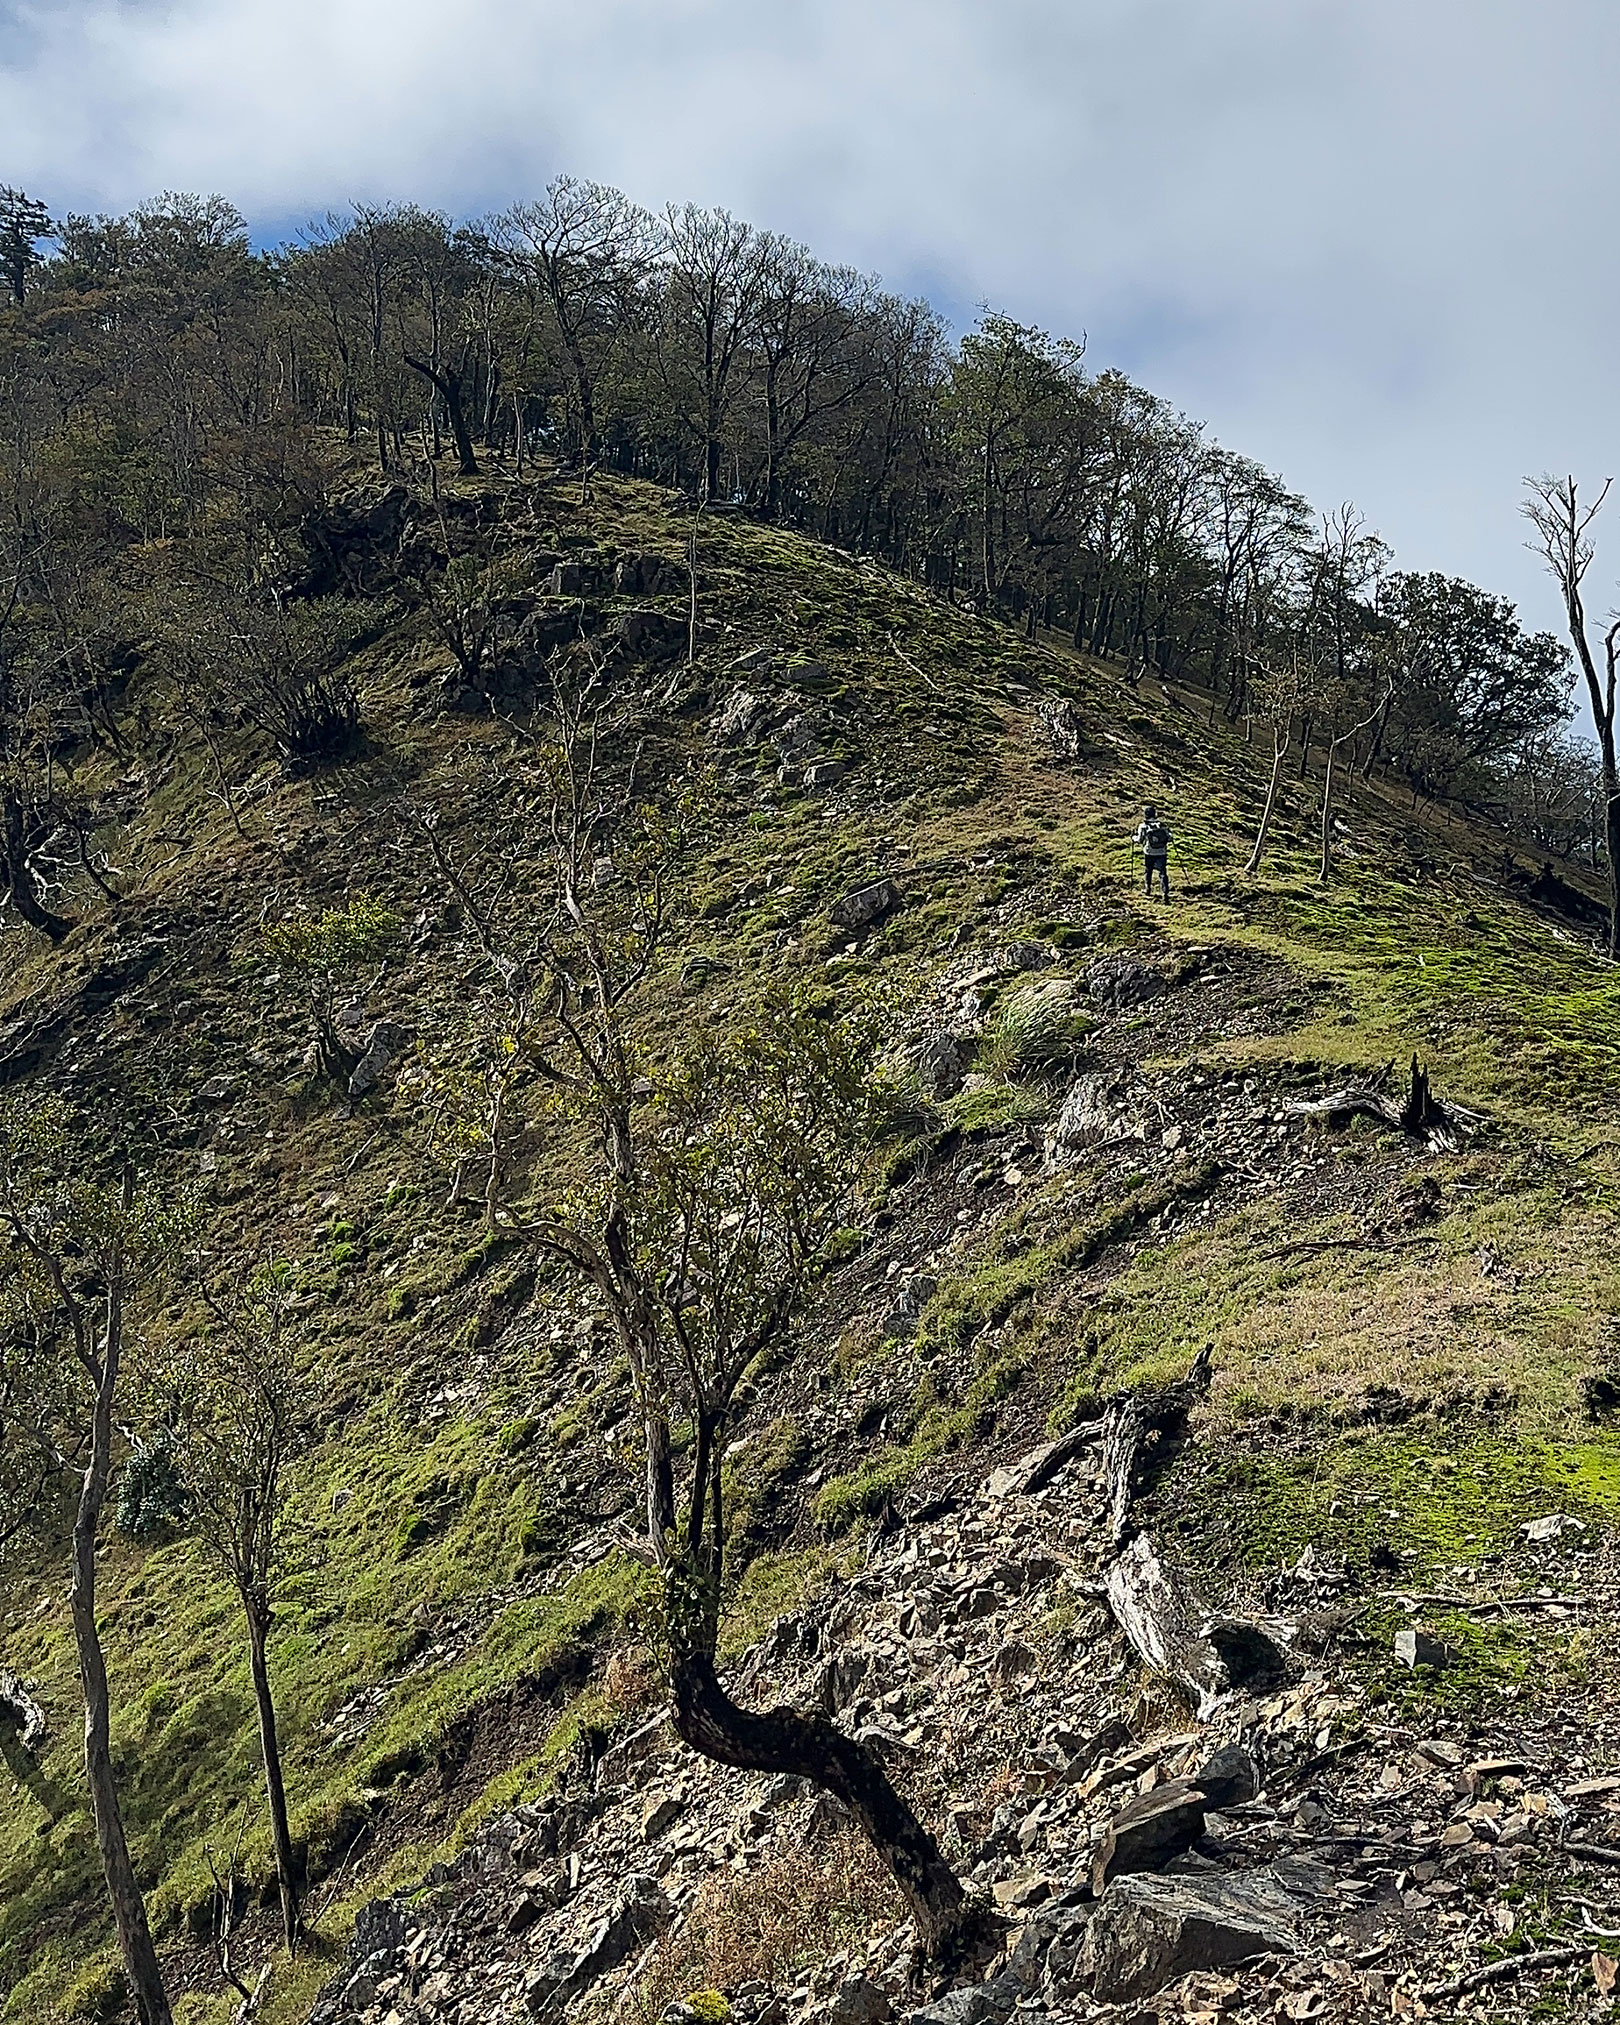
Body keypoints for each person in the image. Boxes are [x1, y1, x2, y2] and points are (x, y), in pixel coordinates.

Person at [1134, 804, 1172, 900]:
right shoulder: (1162, 825)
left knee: (1148, 870)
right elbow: (1170, 838)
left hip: (1149, 852)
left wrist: (1133, 838)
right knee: (1163, 872)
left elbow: (1139, 840)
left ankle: (1148, 889)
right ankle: (1165, 892)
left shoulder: (1143, 826)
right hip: (1162, 852)